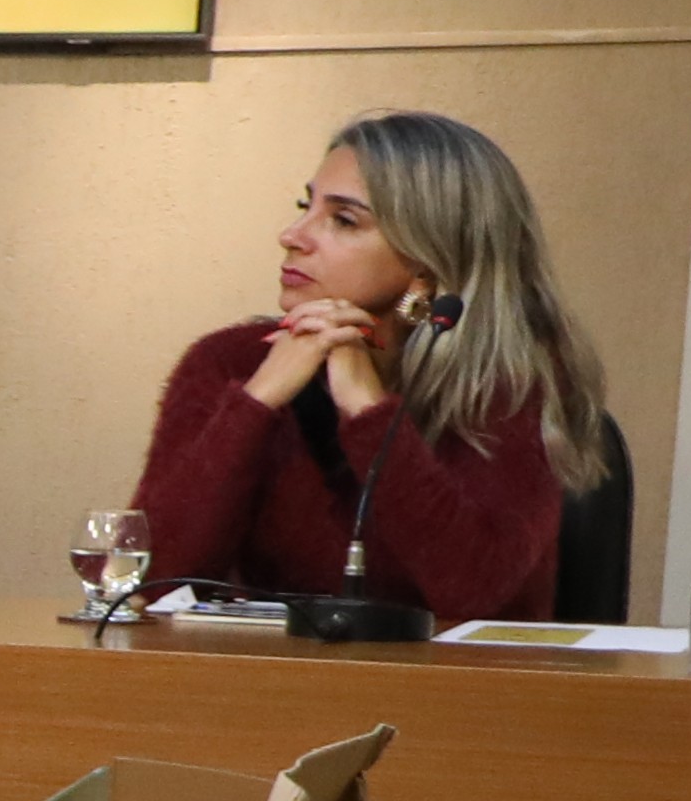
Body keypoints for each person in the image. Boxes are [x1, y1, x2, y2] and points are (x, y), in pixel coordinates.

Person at [130, 111, 615, 624]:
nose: (291, 234)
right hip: (271, 688)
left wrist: (368, 409)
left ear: (426, 263)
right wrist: (258, 400)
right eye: (305, 206)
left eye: (343, 220)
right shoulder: (233, 362)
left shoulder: (508, 387)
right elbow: (148, 585)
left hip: (457, 695)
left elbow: (475, 596)